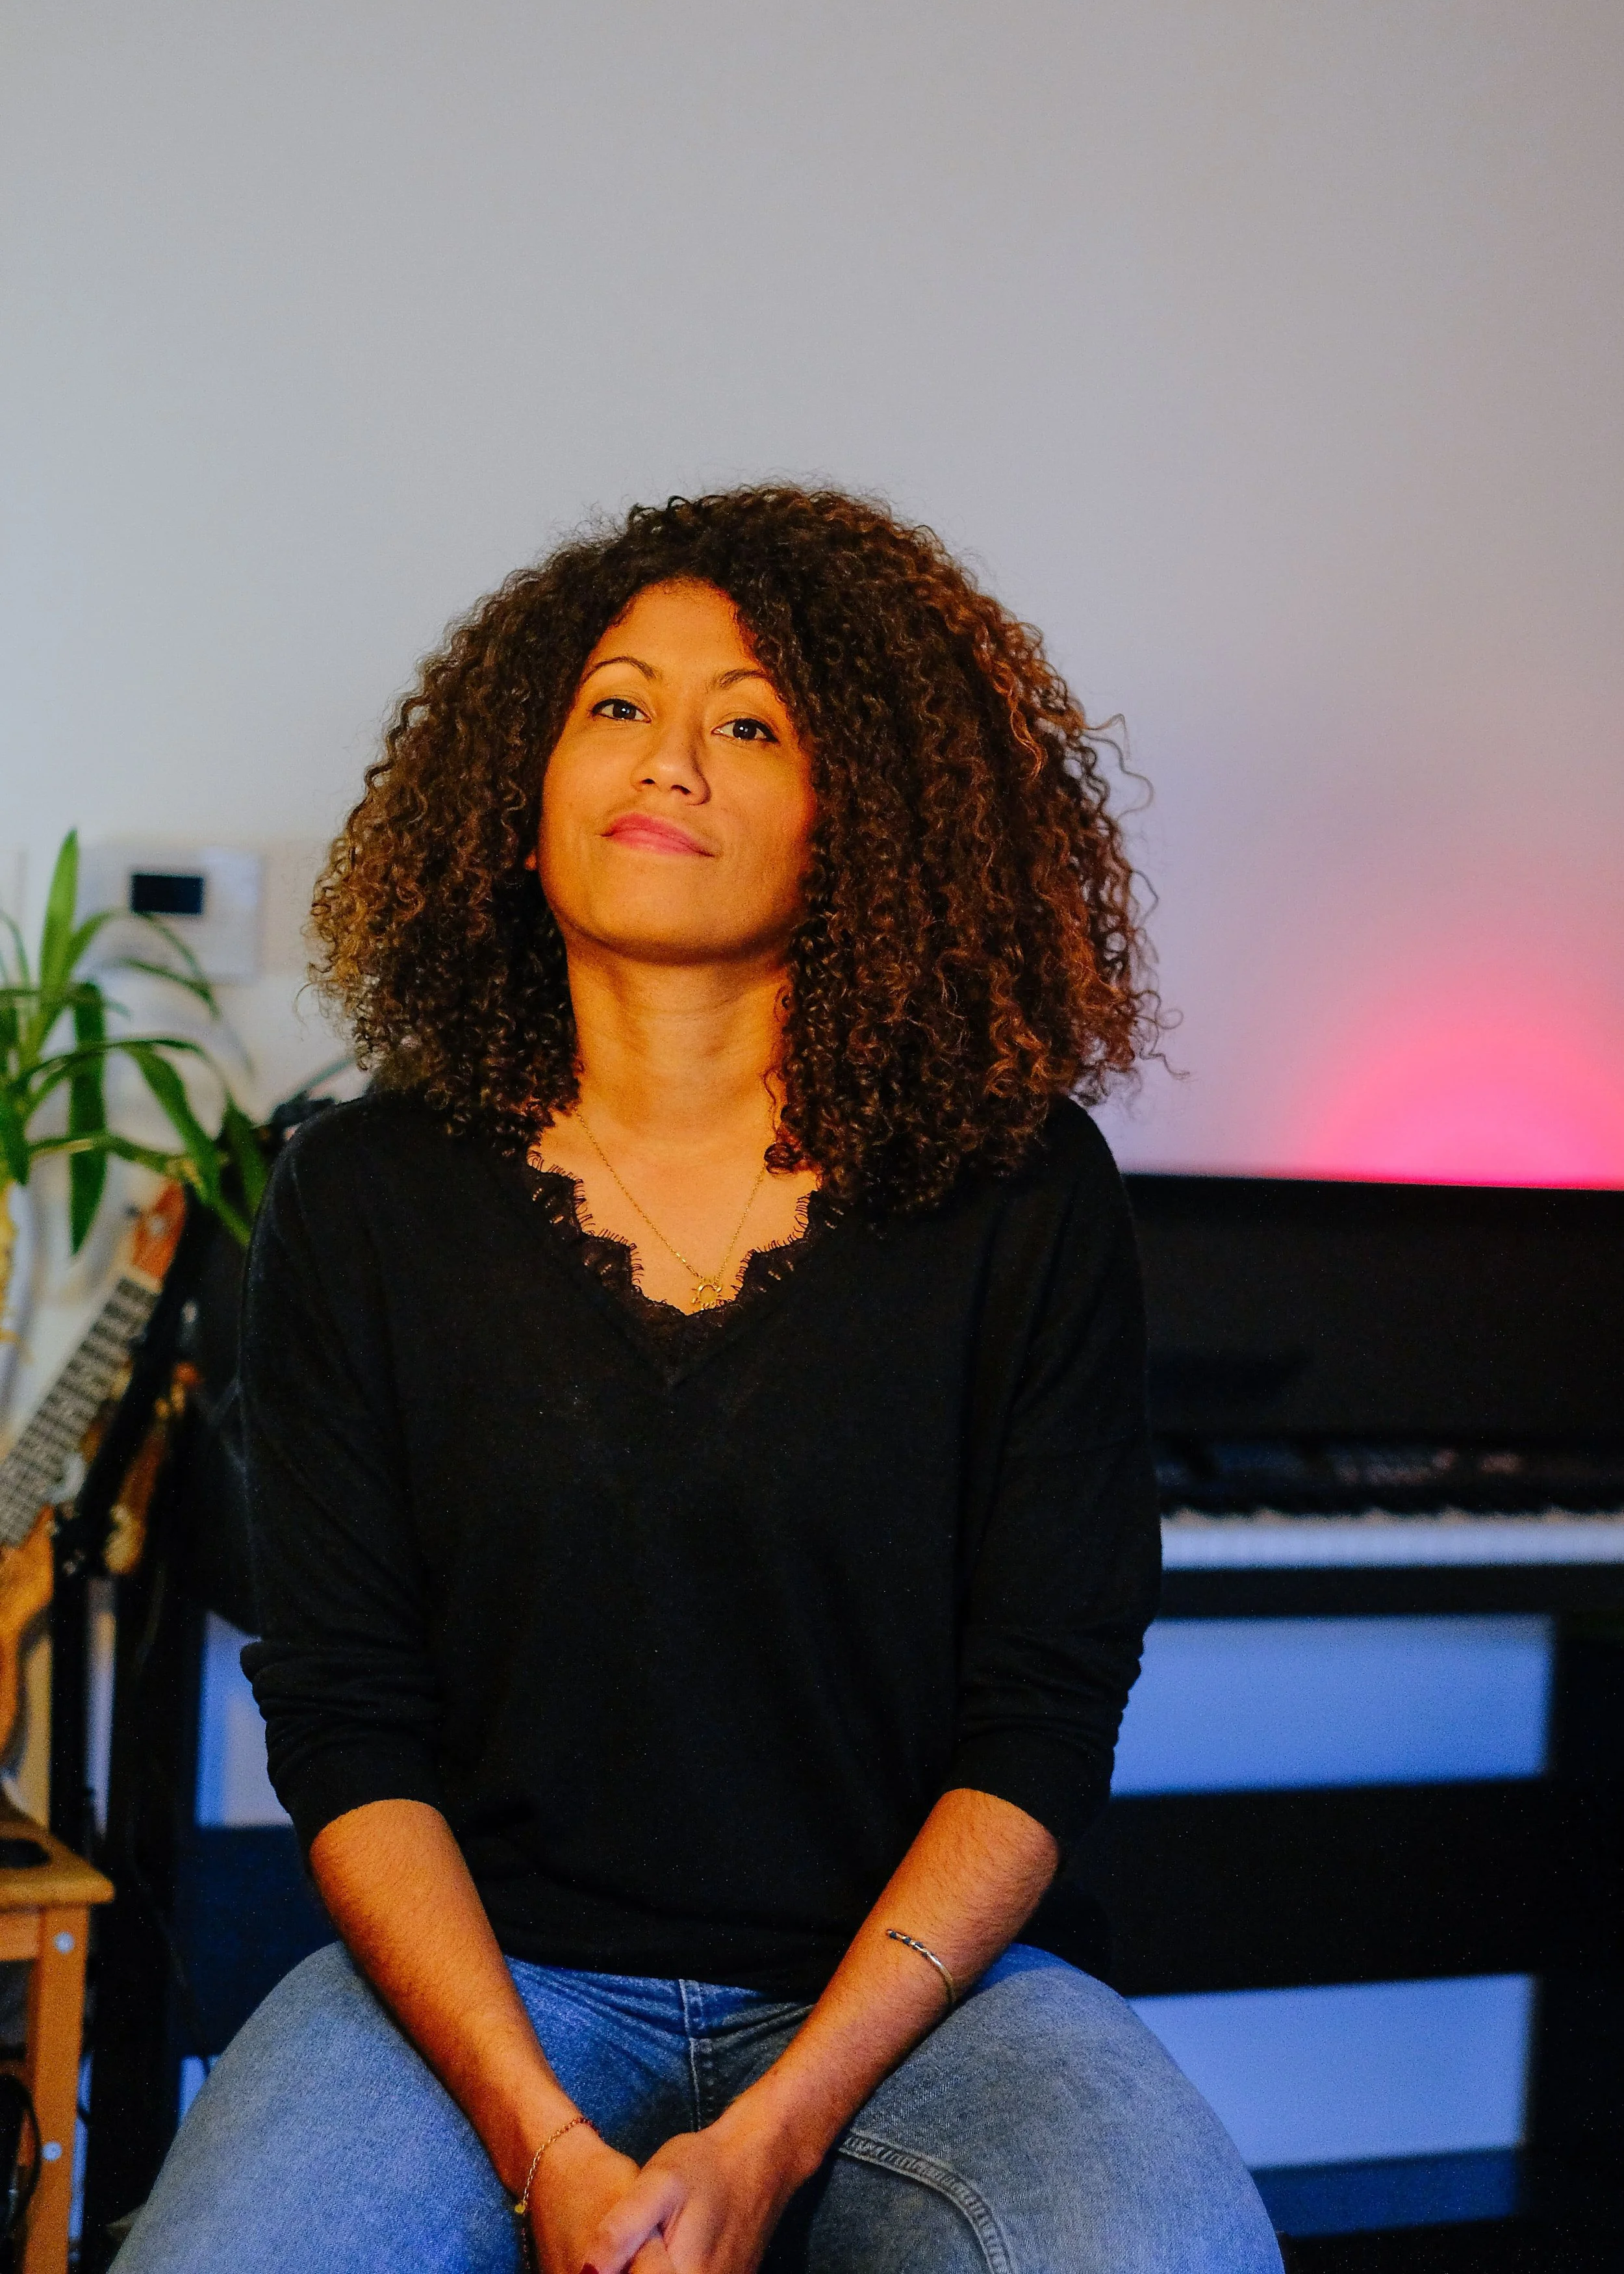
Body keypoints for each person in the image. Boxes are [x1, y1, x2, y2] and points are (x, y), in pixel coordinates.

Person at [120, 488, 1280, 2273]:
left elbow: (1039, 1718)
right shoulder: (362, 1192)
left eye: (747, 721)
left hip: (914, 2001)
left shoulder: (1021, 1191)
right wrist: (541, 2137)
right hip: (480, 1990)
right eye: (615, 705)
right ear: (520, 791)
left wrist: (776, 2130)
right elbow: (347, 1720)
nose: (667, 759)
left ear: (861, 824)